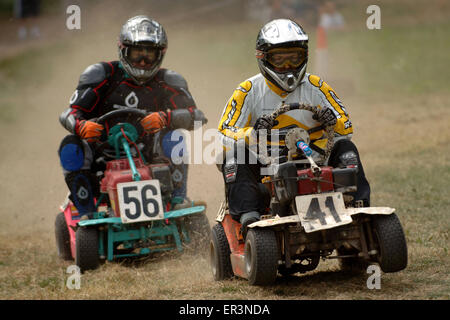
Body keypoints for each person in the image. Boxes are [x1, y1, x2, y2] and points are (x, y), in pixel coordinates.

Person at [218, 19, 370, 232]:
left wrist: (331, 122)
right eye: (280, 59)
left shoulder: (317, 86)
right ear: (264, 58)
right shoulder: (248, 91)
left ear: (304, 56)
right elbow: (224, 132)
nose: (288, 67)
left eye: (294, 58)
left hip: (316, 159)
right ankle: (250, 218)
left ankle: (359, 209)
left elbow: (347, 128)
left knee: (346, 149)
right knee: (234, 156)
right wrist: (253, 133)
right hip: (266, 164)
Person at [58, 15, 207, 218]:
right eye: (137, 53)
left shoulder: (168, 80)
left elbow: (197, 116)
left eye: (150, 54)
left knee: (175, 137)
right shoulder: (101, 75)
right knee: (70, 147)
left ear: (160, 55)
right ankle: (87, 214)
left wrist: (166, 118)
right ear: (124, 50)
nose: (144, 61)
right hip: (101, 155)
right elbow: (69, 113)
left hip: (150, 156)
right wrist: (81, 126)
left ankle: (178, 201)